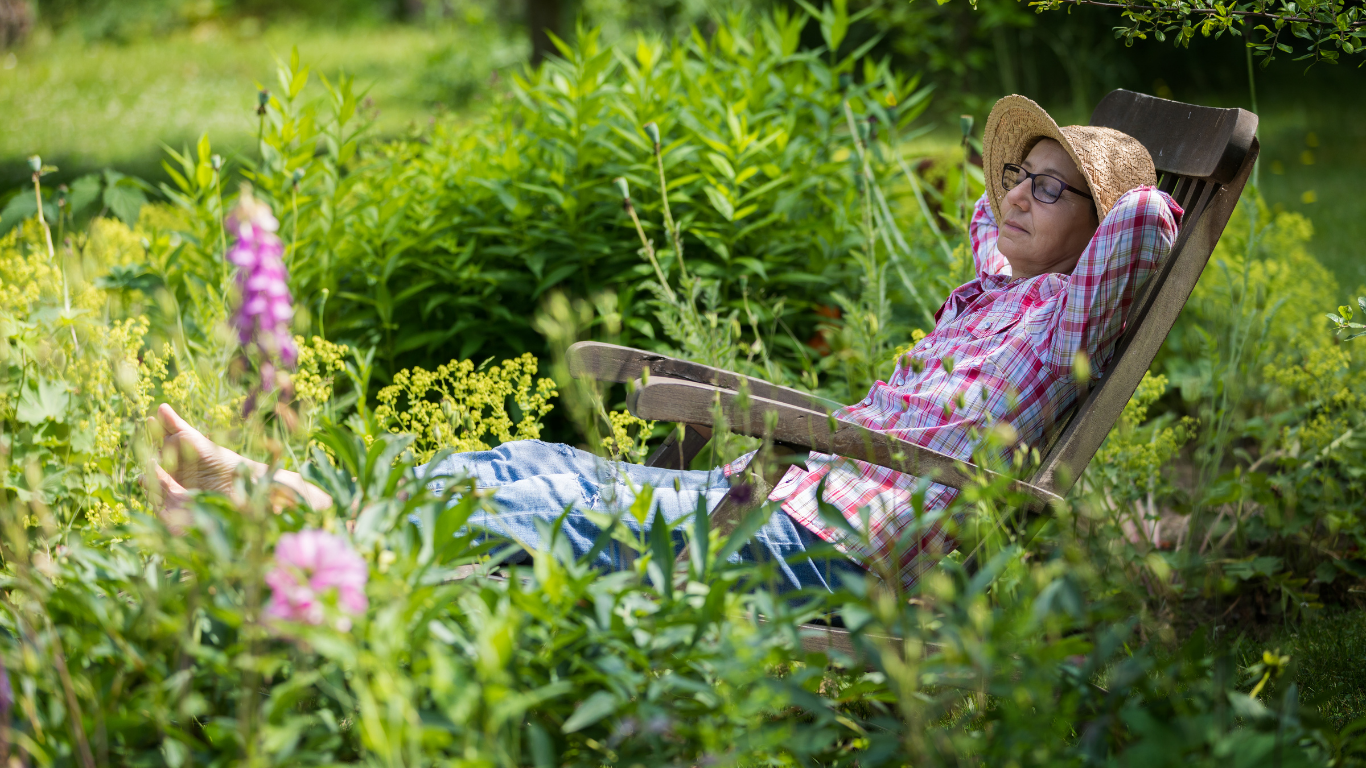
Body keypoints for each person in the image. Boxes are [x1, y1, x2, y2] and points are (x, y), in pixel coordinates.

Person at [151, 95, 1181, 592]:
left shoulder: (1067, 319)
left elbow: (1148, 223)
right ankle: (277, 496)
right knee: (523, 463)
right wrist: (1032, 184)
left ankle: (261, 529)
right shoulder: (990, 299)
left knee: (527, 509)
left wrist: (1134, 178)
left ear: (1097, 233)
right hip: (783, 494)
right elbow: (986, 215)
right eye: (1017, 177)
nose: (1018, 196)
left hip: (837, 538)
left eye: (1053, 190)